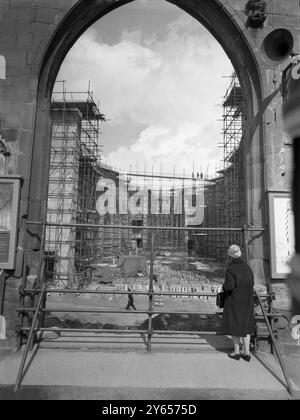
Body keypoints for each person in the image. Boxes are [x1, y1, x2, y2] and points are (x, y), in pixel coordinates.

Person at [220, 245, 255, 361]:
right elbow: (252, 283)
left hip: (235, 300)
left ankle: (236, 352)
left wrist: (223, 287)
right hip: (247, 300)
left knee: (235, 324)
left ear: (230, 256)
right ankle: (246, 352)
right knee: (246, 324)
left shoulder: (231, 269)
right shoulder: (247, 267)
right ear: (240, 254)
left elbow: (229, 286)